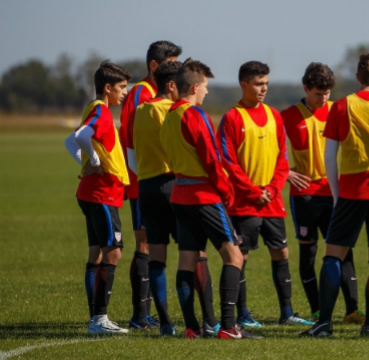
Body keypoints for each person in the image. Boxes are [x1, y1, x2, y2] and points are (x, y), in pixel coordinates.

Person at [300, 53, 369, 338]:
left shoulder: (342, 106)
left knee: (333, 256)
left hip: (351, 192)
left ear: (357, 77)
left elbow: (330, 157)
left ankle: (324, 323)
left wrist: (337, 195)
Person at [159, 59, 257, 339]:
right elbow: (212, 159)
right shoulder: (194, 115)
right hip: (203, 195)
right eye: (205, 87)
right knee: (234, 256)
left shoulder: (169, 116)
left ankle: (192, 327)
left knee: (187, 261)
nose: (207, 92)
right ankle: (228, 327)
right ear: (193, 87)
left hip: (180, 194)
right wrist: (226, 191)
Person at [217, 61, 313, 327]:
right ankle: (243, 314)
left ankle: (287, 312)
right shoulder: (232, 117)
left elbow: (283, 159)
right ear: (244, 84)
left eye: (266, 84)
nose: (263, 89)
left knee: (281, 253)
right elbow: (228, 161)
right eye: (258, 84)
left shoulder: (274, 116)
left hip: (271, 200)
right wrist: (252, 191)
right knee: (241, 256)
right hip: (244, 202)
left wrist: (270, 190)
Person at [282, 63, 364, 323]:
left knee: (343, 250)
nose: (324, 98)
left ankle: (352, 310)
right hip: (304, 196)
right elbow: (269, 151)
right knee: (309, 253)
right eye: (318, 93)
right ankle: (317, 311)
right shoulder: (287, 116)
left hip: (335, 194)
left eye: (328, 93)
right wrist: (284, 172)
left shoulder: (338, 111)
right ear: (306, 88)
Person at [64, 60, 131, 334]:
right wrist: (93, 159)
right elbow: (80, 136)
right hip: (102, 193)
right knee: (113, 252)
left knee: (97, 254)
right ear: (107, 88)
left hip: (92, 192)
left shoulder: (92, 108)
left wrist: (86, 159)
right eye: (122, 87)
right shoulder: (101, 112)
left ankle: (97, 318)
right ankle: (99, 320)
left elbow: (70, 141)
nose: (125, 92)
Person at [119, 40, 182, 329]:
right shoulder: (141, 93)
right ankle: (140, 314)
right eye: (172, 64)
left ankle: (146, 314)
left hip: (153, 177)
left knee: (152, 245)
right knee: (145, 245)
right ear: (155, 66)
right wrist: (130, 177)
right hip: (144, 178)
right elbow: (128, 132)